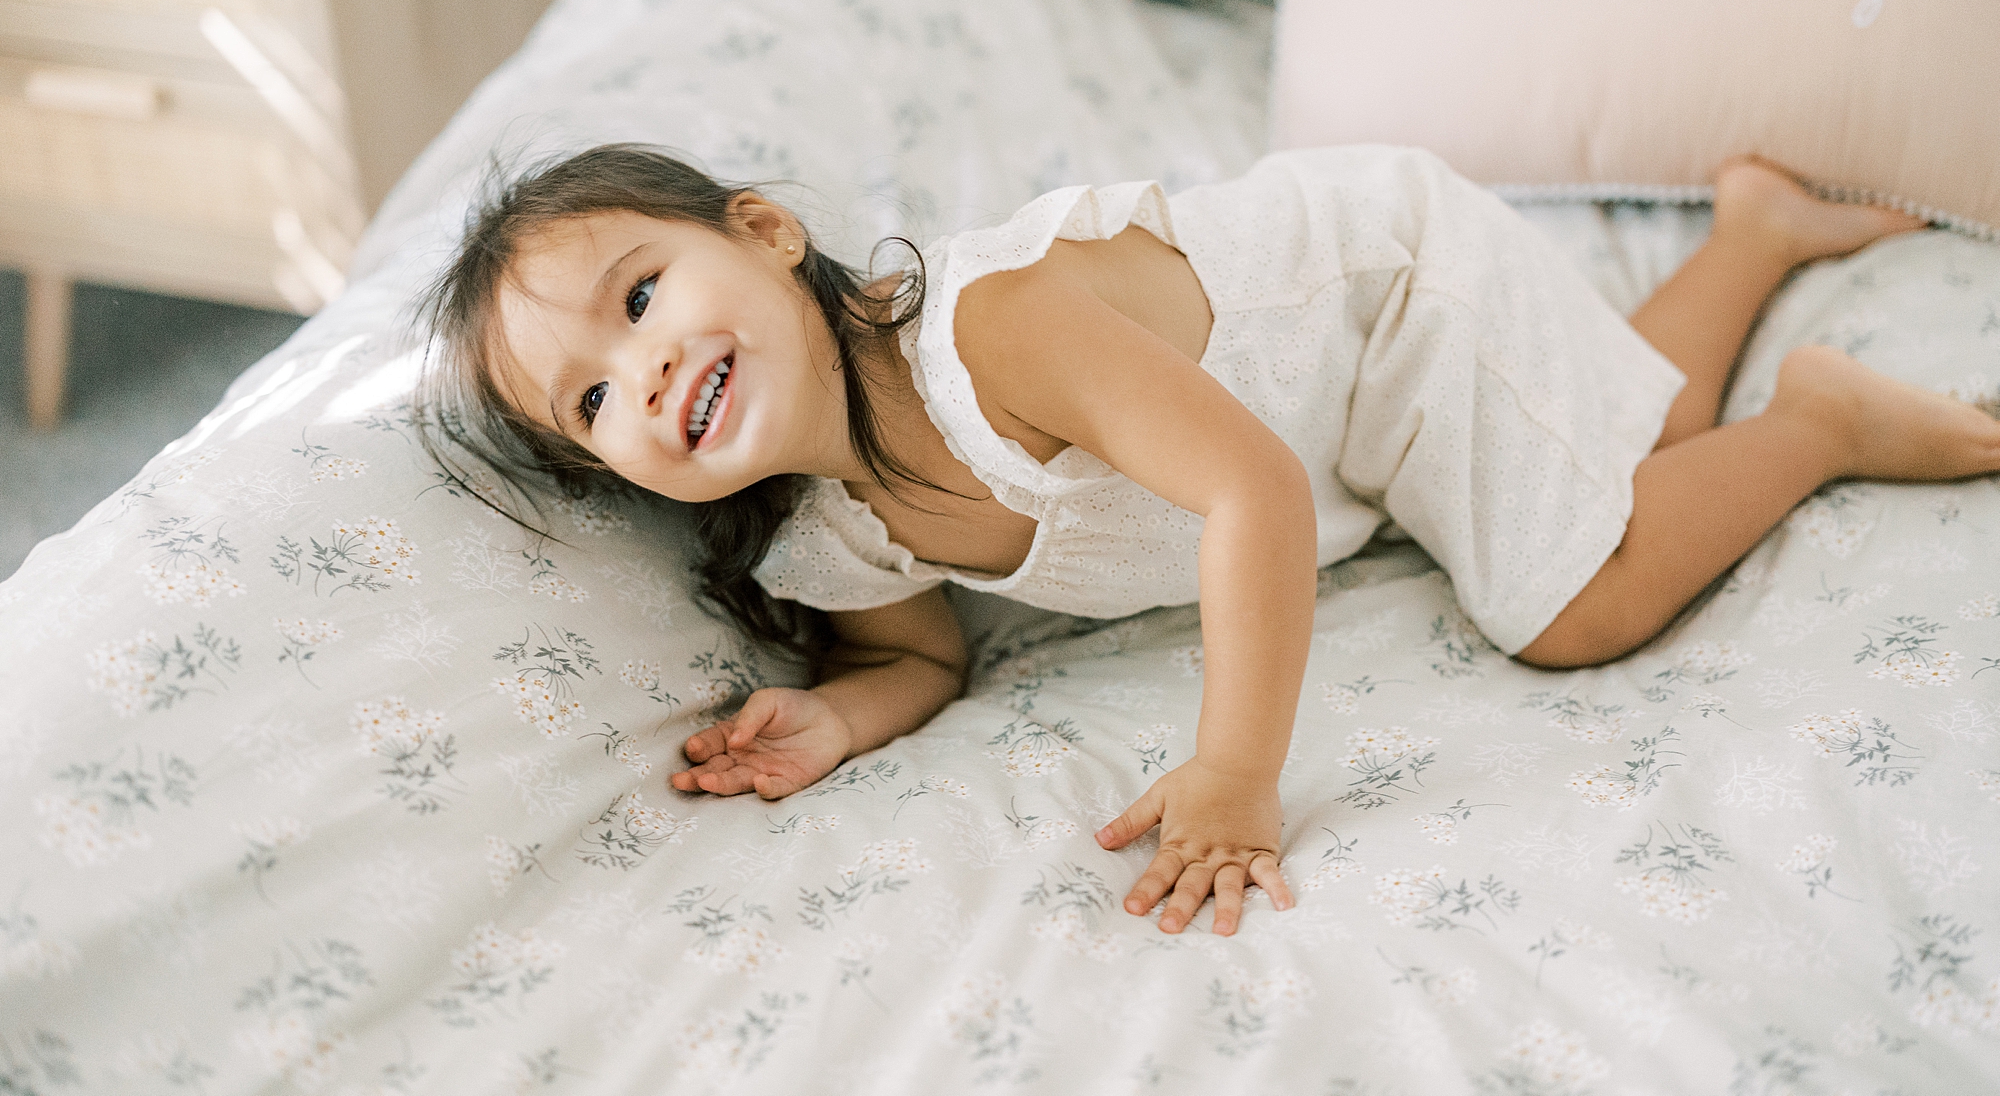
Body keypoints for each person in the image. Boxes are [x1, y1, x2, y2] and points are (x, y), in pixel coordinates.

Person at [418, 143, 2000, 937]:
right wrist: (834, 715)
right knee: (1629, 447)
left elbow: (1253, 494)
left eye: (640, 298)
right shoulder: (830, 532)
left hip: (1385, 299)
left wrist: (1237, 769)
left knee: (1575, 595)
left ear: (763, 231)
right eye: (595, 401)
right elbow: (914, 650)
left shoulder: (997, 332)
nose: (647, 372)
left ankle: (1824, 418)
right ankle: (1757, 231)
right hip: (1335, 418)